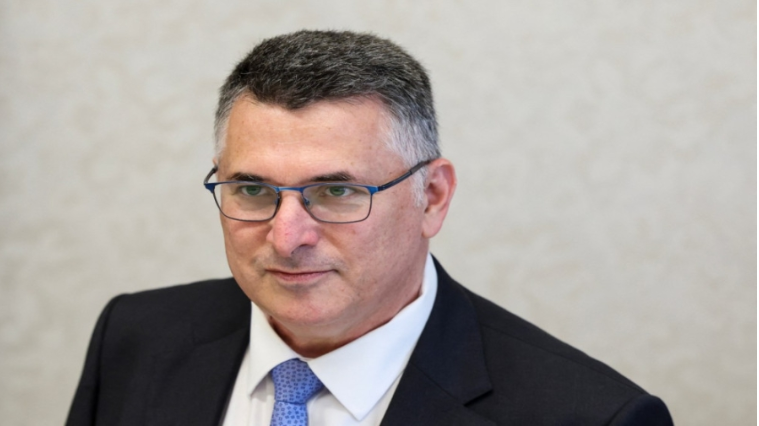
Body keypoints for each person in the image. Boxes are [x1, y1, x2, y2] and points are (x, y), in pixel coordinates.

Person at [66, 30, 674, 426]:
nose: (288, 237)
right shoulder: (135, 338)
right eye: (253, 190)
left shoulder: (591, 417)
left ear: (432, 197)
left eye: (336, 192)